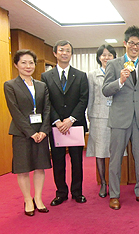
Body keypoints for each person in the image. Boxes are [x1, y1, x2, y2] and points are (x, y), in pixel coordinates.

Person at [102, 26, 139, 210]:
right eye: (132, 43)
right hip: (119, 119)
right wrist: (120, 81)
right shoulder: (114, 65)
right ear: (125, 44)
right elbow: (106, 90)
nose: (135, 47)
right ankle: (114, 194)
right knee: (115, 159)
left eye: (138, 44)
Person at [4, 49, 51, 216]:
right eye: (23, 62)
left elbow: (47, 109)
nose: (28, 66)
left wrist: (44, 131)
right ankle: (27, 199)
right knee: (23, 168)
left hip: (41, 133)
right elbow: (15, 112)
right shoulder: (10, 85)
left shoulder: (41, 85)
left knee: (40, 167)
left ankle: (38, 198)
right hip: (22, 133)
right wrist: (31, 132)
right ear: (16, 64)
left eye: (31, 62)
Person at [42, 40, 89, 206]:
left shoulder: (81, 75)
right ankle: (61, 192)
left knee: (77, 160)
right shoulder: (46, 76)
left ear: (71, 54)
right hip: (56, 126)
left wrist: (70, 119)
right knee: (58, 160)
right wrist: (57, 121)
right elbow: (46, 101)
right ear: (55, 53)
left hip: (75, 124)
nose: (64, 53)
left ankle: (77, 192)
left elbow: (84, 99)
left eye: (67, 51)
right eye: (61, 50)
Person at [86, 44, 116, 198]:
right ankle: (103, 182)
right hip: (98, 117)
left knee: (114, 152)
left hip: (115, 116)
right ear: (99, 57)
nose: (106, 58)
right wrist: (90, 116)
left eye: (110, 55)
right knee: (100, 151)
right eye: (103, 55)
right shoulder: (92, 75)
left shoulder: (118, 73)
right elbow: (90, 96)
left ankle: (113, 182)